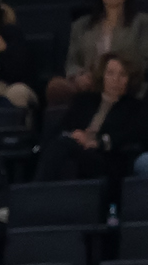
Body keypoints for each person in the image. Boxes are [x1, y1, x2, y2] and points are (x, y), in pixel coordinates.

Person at [38, 52, 148, 180]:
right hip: (75, 146)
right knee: (58, 145)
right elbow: (61, 127)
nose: (115, 79)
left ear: (129, 80)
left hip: (105, 156)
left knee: (60, 147)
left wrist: (98, 141)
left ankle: (36, 189)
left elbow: (132, 135)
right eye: (110, 73)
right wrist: (74, 135)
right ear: (102, 76)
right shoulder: (84, 100)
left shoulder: (134, 107)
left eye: (122, 75)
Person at [52, 0, 148, 111]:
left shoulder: (142, 23)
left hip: (124, 83)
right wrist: (79, 76)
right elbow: (72, 62)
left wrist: (116, 74)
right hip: (90, 85)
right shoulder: (81, 25)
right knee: (55, 86)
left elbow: (144, 61)